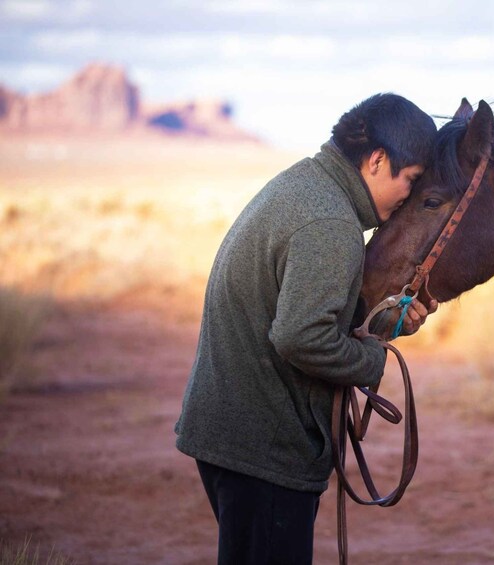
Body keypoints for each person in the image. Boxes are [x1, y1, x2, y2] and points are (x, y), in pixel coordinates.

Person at [174, 93, 438, 564]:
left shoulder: (307, 187)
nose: (409, 198)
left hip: (236, 437)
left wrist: (381, 325)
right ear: (377, 160)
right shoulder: (331, 222)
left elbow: (302, 312)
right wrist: (374, 359)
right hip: (263, 450)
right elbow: (300, 337)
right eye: (411, 181)